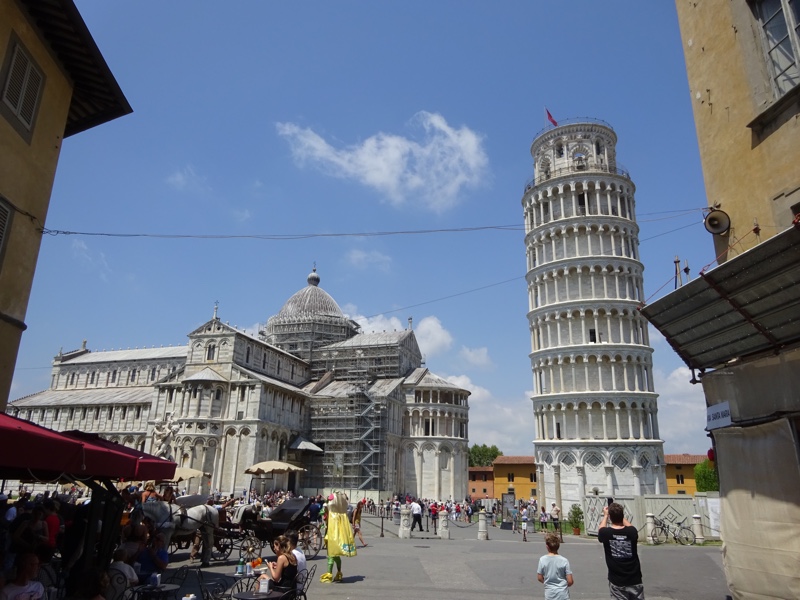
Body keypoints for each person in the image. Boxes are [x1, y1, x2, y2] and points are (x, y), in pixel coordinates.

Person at [598, 502, 644, 599]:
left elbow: (601, 529)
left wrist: (606, 515)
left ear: (610, 517)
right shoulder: (631, 532)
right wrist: (619, 515)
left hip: (617, 581)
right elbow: (631, 527)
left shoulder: (606, 533)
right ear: (622, 516)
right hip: (634, 579)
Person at [537, 532, 574, 600]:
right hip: (562, 593)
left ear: (547, 546)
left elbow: (539, 577)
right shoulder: (564, 560)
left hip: (550, 593)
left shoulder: (542, 560)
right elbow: (570, 581)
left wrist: (547, 582)